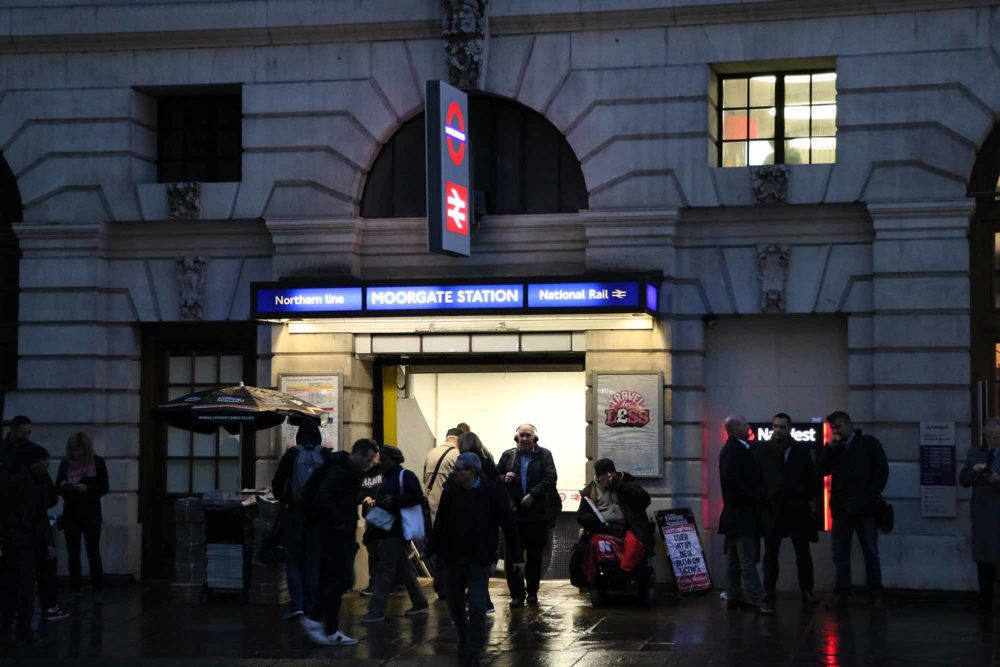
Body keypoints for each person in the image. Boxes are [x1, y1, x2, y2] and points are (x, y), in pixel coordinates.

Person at [431, 453, 523, 667]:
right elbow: (441, 523)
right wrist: (433, 548)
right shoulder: (451, 492)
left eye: (458, 469)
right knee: (454, 605)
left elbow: (509, 526)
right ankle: (465, 636)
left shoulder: (491, 493)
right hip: (453, 556)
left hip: (479, 557)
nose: (454, 473)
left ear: (472, 471)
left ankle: (474, 646)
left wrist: (517, 557)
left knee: (477, 604)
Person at [298, 437, 380, 646]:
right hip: (332, 535)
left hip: (336, 534)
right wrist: (339, 522)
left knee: (331, 579)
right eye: (368, 460)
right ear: (358, 454)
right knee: (342, 579)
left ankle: (331, 629)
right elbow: (324, 498)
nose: (369, 465)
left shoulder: (347, 471)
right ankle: (314, 619)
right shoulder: (339, 471)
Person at [819, 410, 889, 610]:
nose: (836, 431)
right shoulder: (835, 448)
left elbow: (881, 471)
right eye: (833, 428)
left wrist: (869, 495)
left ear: (850, 425)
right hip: (841, 509)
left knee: (870, 550)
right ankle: (843, 591)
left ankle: (875, 592)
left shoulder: (868, 444)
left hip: (864, 508)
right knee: (840, 552)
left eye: (839, 426)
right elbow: (821, 469)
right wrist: (829, 449)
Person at [0, 416, 61, 644]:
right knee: (24, 585)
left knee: (13, 584)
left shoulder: (18, 478)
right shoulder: (33, 482)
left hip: (16, 536)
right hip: (23, 537)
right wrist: (46, 543)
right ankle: (22, 629)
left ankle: (9, 626)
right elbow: (38, 515)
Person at [270, 418, 334, 621]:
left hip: (294, 514)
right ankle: (311, 603)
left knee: (293, 560)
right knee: (313, 561)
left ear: (299, 436)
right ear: (318, 436)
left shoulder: (291, 455)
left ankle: (296, 604)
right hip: (317, 516)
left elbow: (277, 485)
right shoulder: (325, 455)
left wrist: (287, 499)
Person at [753, 413, 819, 605]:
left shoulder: (800, 451)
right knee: (771, 554)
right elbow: (758, 479)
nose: (778, 430)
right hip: (773, 510)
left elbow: (812, 478)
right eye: (775, 426)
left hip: (796, 510)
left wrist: (803, 497)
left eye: (782, 427)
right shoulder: (763, 451)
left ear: (789, 428)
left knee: (802, 553)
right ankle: (769, 591)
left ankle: (807, 590)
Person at [360, 445, 430, 623]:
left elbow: (417, 497)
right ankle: (420, 603)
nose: (381, 463)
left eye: (384, 459)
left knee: (385, 568)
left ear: (393, 460)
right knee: (404, 568)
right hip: (387, 528)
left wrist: (394, 500)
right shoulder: (388, 477)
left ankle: (376, 610)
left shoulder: (404, 476)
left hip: (397, 529)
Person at [497, 423, 558, 607]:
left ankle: (532, 591)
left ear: (534, 438)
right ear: (516, 438)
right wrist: (503, 477)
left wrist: (533, 494)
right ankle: (516, 594)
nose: (524, 439)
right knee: (513, 557)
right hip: (513, 516)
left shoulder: (544, 455)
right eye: (521, 435)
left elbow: (551, 478)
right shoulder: (508, 455)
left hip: (536, 516)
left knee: (534, 556)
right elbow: (493, 477)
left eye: (528, 435)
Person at [718, 414, 772, 615]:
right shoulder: (736, 450)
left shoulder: (733, 448)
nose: (748, 426)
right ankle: (758, 599)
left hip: (733, 515)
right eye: (743, 424)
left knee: (733, 558)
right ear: (734, 429)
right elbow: (736, 483)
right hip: (743, 514)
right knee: (747, 558)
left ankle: (735, 596)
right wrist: (757, 496)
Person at [55, 432, 109, 597]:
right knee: (73, 551)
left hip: (91, 512)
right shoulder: (65, 463)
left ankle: (98, 588)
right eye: (73, 450)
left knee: (92, 551)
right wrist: (64, 487)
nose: (76, 454)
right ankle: (75, 587)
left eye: (79, 450)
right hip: (71, 512)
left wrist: (88, 489)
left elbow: (104, 487)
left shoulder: (98, 462)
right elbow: (57, 487)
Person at [959, 418, 1000, 611]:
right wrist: (975, 472)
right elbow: (963, 479)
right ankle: (985, 600)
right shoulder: (975, 453)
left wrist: (998, 480)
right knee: (984, 560)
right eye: (989, 436)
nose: (992, 440)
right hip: (982, 513)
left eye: (996, 437)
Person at [423, 428, 461, 599]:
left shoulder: (431, 453)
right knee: (453, 550)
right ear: (458, 440)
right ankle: (452, 586)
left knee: (439, 549)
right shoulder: (457, 455)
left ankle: (440, 586)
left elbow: (425, 479)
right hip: (450, 509)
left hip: (432, 507)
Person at [358, 458, 384, 596]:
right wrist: (364, 497)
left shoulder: (385, 469)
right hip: (371, 513)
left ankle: (382, 583)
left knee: (381, 549)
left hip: (384, 514)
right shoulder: (362, 471)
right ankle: (375, 582)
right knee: (373, 549)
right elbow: (357, 491)